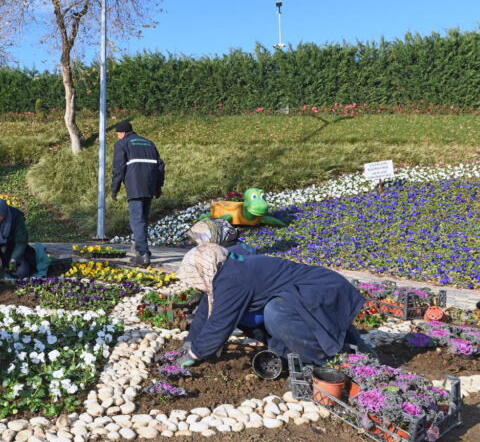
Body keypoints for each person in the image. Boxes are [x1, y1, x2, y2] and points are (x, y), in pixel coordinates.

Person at [173, 243, 370, 368]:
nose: (195, 283)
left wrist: (195, 353)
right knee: (259, 313)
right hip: (310, 295)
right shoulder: (223, 269)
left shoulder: (231, 280)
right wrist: (190, 342)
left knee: (276, 313)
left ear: (203, 269)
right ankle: (357, 353)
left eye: (194, 277)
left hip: (323, 292)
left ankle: (328, 361)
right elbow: (207, 310)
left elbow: (219, 323)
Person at [110, 120, 164, 265]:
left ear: (122, 133)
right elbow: (160, 166)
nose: (118, 137)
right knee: (143, 220)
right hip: (150, 186)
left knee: (137, 220)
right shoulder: (149, 143)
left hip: (135, 187)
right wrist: (158, 187)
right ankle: (144, 249)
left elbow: (118, 168)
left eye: (117, 134)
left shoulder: (122, 144)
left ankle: (143, 253)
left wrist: (114, 188)